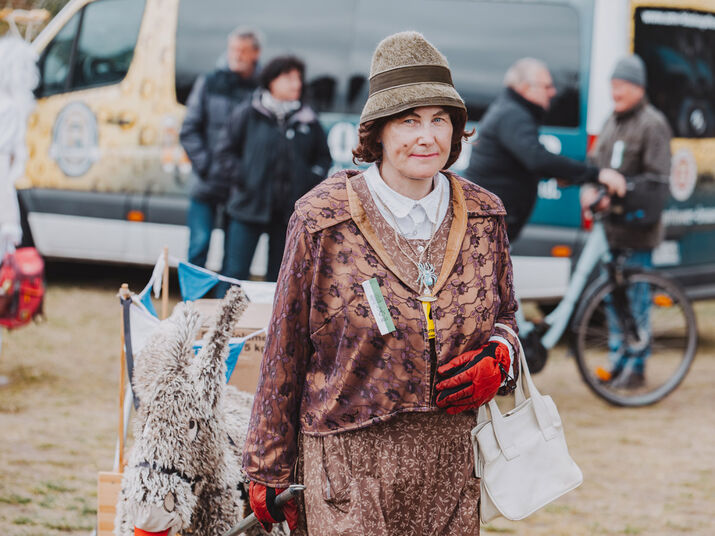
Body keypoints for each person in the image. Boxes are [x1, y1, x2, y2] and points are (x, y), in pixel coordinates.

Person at [242, 32, 520, 535]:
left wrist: (499, 358)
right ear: (377, 131)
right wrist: (266, 464)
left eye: (440, 120)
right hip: (348, 464)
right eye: (409, 120)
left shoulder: (485, 216)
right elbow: (284, 348)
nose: (426, 137)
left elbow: (506, 316)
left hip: (449, 466)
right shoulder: (321, 220)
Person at [580, 55, 673, 389]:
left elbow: (657, 182)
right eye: (612, 85)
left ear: (638, 86)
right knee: (613, 299)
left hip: (638, 231)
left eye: (621, 85)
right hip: (611, 230)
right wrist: (590, 189)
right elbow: (594, 163)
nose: (614, 91)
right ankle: (617, 361)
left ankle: (636, 366)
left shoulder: (653, 124)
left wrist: (619, 194)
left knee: (635, 299)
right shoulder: (612, 121)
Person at [464, 57, 626, 242]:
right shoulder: (512, 114)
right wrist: (596, 174)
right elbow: (536, 158)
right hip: (487, 227)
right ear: (525, 88)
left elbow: (522, 162)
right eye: (546, 86)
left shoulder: (511, 110)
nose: (553, 92)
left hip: (490, 222)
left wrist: (558, 174)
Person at [213, 55, 331, 282]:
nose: (296, 83)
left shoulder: (309, 120)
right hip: (247, 208)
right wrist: (243, 179)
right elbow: (224, 153)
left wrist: (308, 182)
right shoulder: (247, 113)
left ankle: (273, 319)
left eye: (298, 78)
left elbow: (323, 159)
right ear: (271, 81)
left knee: (281, 279)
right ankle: (227, 318)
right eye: (288, 78)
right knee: (234, 275)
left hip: (288, 214)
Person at [179, 27, 261, 272]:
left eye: (243, 50)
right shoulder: (209, 82)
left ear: (256, 54)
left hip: (239, 187)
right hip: (206, 182)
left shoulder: (260, 90)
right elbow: (189, 129)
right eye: (233, 49)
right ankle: (192, 305)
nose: (236, 55)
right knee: (198, 246)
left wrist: (245, 174)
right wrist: (206, 166)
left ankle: (223, 308)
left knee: (233, 259)